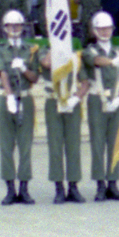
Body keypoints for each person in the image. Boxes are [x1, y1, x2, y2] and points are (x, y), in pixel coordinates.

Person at [0, 10, 38, 205]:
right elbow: (2, 72)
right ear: (5, 28)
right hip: (7, 99)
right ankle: (10, 189)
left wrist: (24, 69)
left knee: (25, 145)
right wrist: (10, 96)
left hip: (25, 99)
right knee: (6, 145)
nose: (15, 29)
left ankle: (24, 189)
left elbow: (35, 78)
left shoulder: (31, 50)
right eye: (11, 26)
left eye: (18, 25)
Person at [82, 11, 119, 201]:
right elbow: (95, 61)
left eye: (107, 28)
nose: (105, 31)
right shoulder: (90, 50)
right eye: (101, 28)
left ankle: (113, 183)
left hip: (115, 101)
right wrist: (111, 61)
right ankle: (100, 184)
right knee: (98, 142)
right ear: (94, 30)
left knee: (115, 142)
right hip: (97, 100)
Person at [38, 33, 87, 204]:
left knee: (73, 145)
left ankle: (73, 186)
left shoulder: (76, 56)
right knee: (55, 145)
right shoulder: (43, 51)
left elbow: (86, 82)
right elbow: (46, 63)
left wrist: (77, 98)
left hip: (72, 103)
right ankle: (59, 187)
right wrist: (55, 48)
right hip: (53, 101)